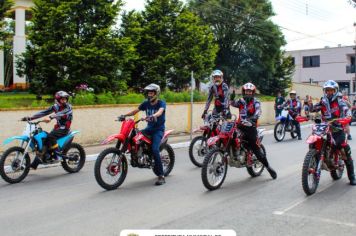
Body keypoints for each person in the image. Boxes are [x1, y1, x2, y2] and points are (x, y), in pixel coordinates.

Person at [309, 80, 356, 185]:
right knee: (314, 141)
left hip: (338, 128)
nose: (329, 92)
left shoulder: (340, 100)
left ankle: (352, 177)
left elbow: (346, 110)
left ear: (335, 91)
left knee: (345, 150)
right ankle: (315, 159)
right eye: (327, 90)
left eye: (331, 90)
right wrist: (310, 105)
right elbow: (314, 109)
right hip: (325, 127)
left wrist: (347, 117)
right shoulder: (323, 101)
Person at [120, 83, 166, 186]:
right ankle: (138, 155)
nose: (149, 95)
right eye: (148, 93)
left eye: (151, 93)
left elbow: (160, 112)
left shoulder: (161, 103)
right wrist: (124, 115)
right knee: (135, 137)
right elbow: (135, 111)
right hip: (148, 129)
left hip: (158, 130)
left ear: (156, 93)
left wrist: (153, 116)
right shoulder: (146, 103)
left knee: (155, 149)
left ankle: (161, 176)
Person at [230, 82, 277, 179]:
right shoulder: (241, 101)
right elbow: (232, 104)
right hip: (240, 126)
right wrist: (231, 98)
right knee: (231, 136)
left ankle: (268, 167)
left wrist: (252, 119)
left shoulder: (256, 102)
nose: (248, 93)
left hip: (251, 128)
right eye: (246, 91)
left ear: (253, 93)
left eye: (250, 91)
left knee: (257, 150)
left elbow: (258, 111)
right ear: (244, 92)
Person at [21, 91, 72, 169]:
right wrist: (31, 118)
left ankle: (58, 155)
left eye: (65, 99)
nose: (64, 101)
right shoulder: (55, 106)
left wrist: (51, 117)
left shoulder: (68, 107)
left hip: (64, 128)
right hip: (57, 127)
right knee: (44, 139)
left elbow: (62, 113)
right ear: (58, 100)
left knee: (51, 136)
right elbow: (43, 112)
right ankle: (36, 163)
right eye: (62, 99)